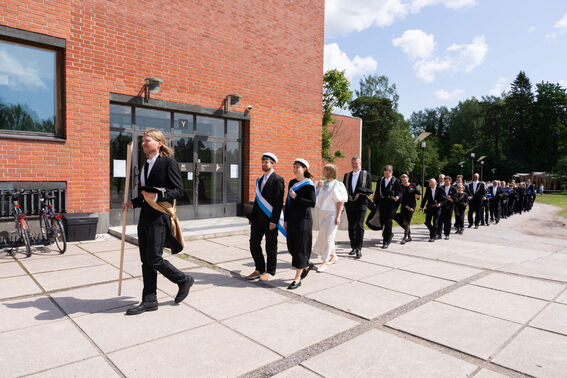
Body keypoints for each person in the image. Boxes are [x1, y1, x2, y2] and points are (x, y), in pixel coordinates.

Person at [122, 129, 193, 315]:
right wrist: (132, 202)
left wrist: (158, 194)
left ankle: (183, 279)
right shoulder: (145, 165)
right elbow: (145, 193)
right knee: (146, 261)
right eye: (143, 141)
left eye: (148, 140)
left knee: (154, 258)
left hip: (160, 216)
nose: (144, 143)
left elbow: (178, 190)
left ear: (159, 143)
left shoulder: (168, 162)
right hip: (145, 216)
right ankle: (150, 300)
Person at [246, 153, 285, 281]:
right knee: (253, 244)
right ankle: (259, 269)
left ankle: (271, 271)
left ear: (273, 164)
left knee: (271, 246)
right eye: (262, 162)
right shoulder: (260, 180)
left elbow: (278, 203)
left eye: (266, 162)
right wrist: (252, 217)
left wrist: (274, 220)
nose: (264, 164)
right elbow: (257, 201)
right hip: (258, 219)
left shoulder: (278, 179)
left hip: (270, 220)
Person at [284, 158, 316, 290]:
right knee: (291, 246)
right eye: (294, 167)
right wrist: (285, 219)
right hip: (291, 219)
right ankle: (306, 266)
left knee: (300, 248)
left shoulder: (309, 184)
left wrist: (296, 197)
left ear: (304, 169)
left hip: (304, 220)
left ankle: (297, 278)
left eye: (298, 167)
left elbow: (312, 203)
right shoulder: (292, 182)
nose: (295, 169)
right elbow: (287, 202)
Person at [313, 164, 348, 273]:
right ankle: (333, 255)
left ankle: (324, 261)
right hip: (322, 213)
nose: (322, 171)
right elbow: (316, 198)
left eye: (324, 170)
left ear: (328, 171)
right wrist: (317, 188)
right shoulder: (322, 184)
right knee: (325, 236)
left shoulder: (337, 185)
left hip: (332, 214)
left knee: (328, 237)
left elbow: (340, 202)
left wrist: (338, 217)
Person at [343, 156, 373, 259]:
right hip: (349, 204)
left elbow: (370, 190)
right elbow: (343, 191)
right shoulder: (346, 175)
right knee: (351, 226)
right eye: (353, 163)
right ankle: (353, 247)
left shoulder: (366, 175)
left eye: (356, 163)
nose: (354, 165)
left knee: (360, 226)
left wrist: (362, 190)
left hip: (361, 204)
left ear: (360, 163)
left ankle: (359, 248)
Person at [373, 165, 401, 249]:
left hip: (392, 205)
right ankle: (389, 234)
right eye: (384, 173)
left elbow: (400, 192)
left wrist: (397, 197)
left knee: (388, 222)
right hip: (382, 204)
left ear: (391, 172)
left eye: (387, 174)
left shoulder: (396, 181)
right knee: (382, 221)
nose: (386, 175)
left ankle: (386, 241)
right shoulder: (380, 180)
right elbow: (378, 192)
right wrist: (375, 203)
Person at [393, 174, 420, 244]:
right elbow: (400, 196)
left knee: (407, 221)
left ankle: (405, 238)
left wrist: (417, 196)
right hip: (404, 205)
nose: (404, 181)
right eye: (402, 180)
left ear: (408, 179)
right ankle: (409, 235)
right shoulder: (400, 186)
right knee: (396, 217)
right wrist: (405, 206)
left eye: (405, 179)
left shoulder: (412, 185)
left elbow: (417, 192)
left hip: (411, 206)